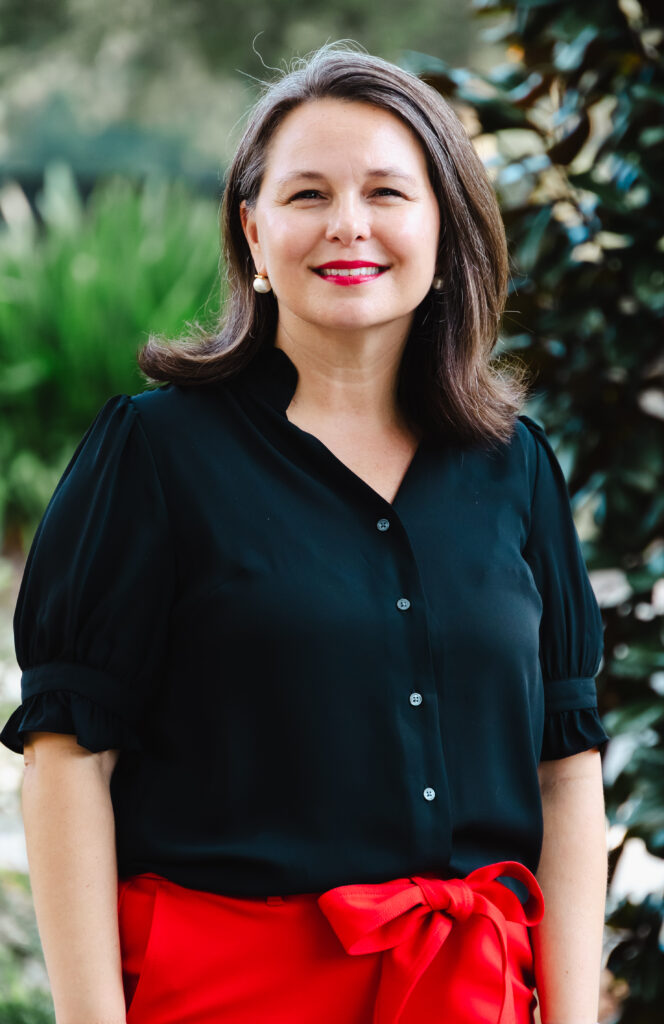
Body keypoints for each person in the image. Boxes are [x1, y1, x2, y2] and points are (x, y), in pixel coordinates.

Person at [0, 42, 609, 1024]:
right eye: (307, 195)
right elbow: (71, 759)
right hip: (227, 999)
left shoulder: (515, 466)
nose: (348, 226)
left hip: (468, 999)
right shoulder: (152, 456)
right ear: (252, 233)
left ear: (443, 225)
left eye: (385, 191)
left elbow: (565, 768)